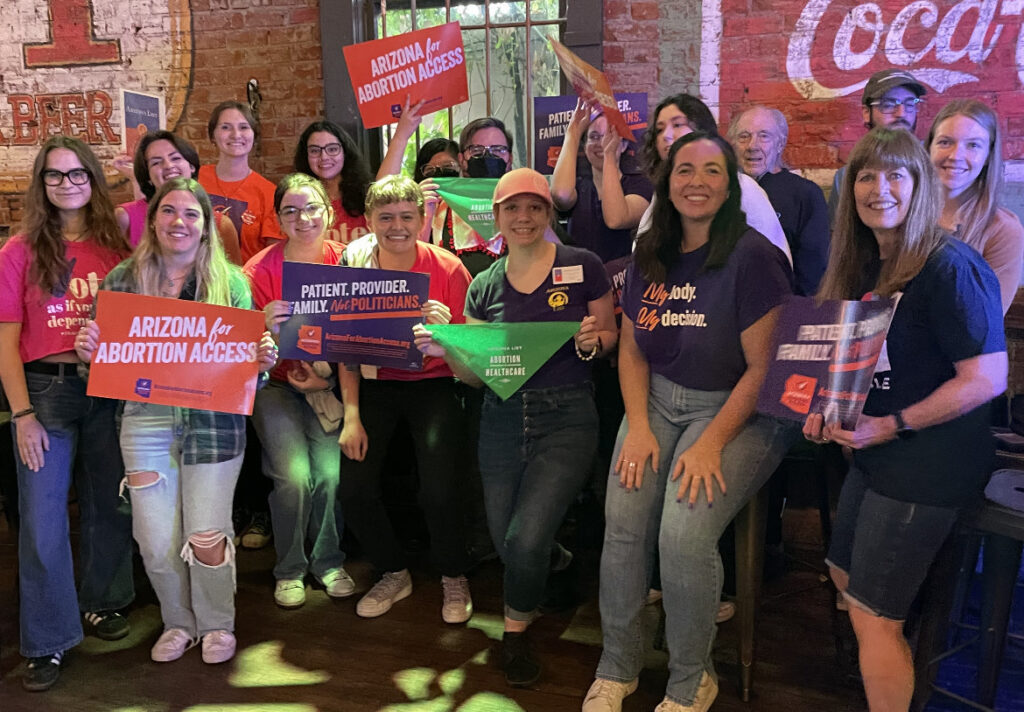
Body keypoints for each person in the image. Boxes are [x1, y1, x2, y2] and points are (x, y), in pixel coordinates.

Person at [582, 133, 794, 712]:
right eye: (684, 171)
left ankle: (690, 679)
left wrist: (711, 444)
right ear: (666, 182)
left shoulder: (752, 257)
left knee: (682, 535)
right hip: (656, 401)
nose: (696, 181)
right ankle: (618, 665)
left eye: (711, 171)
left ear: (731, 186)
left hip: (737, 408)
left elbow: (764, 369)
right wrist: (640, 426)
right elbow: (630, 351)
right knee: (623, 523)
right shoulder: (651, 248)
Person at [805, 127, 1008, 711]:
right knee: (843, 576)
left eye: (896, 174)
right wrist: (824, 410)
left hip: (931, 459)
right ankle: (894, 672)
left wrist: (889, 426)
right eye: (866, 176)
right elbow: (856, 366)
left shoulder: (948, 267)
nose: (879, 188)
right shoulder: (867, 262)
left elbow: (987, 379)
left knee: (873, 615)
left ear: (920, 185)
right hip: (876, 451)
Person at [416, 167, 618, 687]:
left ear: (548, 213)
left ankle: (516, 634)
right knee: (511, 544)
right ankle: (558, 559)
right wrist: (450, 348)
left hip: (568, 414)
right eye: (512, 208)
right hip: (502, 416)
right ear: (497, 218)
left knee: (524, 538)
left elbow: (610, 335)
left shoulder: (583, 265)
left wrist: (596, 339)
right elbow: (476, 378)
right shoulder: (483, 285)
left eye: (534, 207)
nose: (523, 217)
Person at [75, 177, 277, 664]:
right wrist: (89, 355)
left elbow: (245, 374)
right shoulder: (123, 280)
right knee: (155, 536)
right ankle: (178, 620)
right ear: (154, 219)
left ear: (207, 226)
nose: (179, 222)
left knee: (206, 536)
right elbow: (105, 365)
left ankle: (216, 623)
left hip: (213, 425)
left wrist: (261, 363)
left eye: (192, 214)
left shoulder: (231, 284)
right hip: (144, 422)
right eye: (169, 211)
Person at [0, 136, 134, 691]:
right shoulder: (18, 251)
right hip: (44, 393)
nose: (67, 184)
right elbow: (5, 342)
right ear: (41, 185)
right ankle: (48, 639)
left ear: (94, 179)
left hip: (108, 388)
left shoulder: (117, 244)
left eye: (77, 173)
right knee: (43, 517)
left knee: (110, 502)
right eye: (54, 176)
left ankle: (103, 602)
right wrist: (22, 414)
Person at [337, 175, 475, 624]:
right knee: (354, 488)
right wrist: (351, 416)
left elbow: (473, 349)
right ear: (370, 221)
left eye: (406, 217)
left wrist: (448, 331)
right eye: (386, 217)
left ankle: (454, 574)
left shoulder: (449, 268)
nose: (396, 226)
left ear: (421, 218)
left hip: (434, 382)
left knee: (439, 489)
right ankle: (394, 570)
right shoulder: (355, 269)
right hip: (375, 383)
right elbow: (346, 348)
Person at [244, 174, 354, 609]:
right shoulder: (258, 271)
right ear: (279, 218)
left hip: (329, 387)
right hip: (277, 386)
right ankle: (289, 567)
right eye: (290, 210)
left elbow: (363, 337)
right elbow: (236, 347)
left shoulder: (349, 262)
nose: (302, 218)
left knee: (329, 475)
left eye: (311, 208)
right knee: (292, 476)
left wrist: (326, 381)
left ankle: (328, 560)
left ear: (328, 212)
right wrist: (261, 327)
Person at [638, 94, 792, 266]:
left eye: (677, 125)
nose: (666, 135)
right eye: (659, 129)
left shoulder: (744, 188)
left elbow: (776, 260)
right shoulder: (664, 192)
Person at [926, 99, 1024, 313]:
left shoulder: (1004, 230)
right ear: (929, 147)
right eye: (945, 142)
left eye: (973, 145)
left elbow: (985, 322)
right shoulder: (903, 213)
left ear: (988, 156)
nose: (956, 156)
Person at [728, 105, 830, 295]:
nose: (752, 145)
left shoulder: (805, 194)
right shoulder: (723, 192)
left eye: (764, 136)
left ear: (780, 144)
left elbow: (812, 274)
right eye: (744, 136)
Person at [115, 130, 242, 263]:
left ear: (191, 166)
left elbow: (233, 279)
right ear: (148, 177)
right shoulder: (124, 217)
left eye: (175, 158)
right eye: (156, 162)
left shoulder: (221, 224)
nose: (169, 166)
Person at [551, 99, 653, 262]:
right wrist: (573, 133)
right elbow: (561, 195)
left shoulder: (640, 185)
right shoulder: (578, 186)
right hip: (579, 280)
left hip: (621, 282)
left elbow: (616, 219)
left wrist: (609, 156)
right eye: (594, 137)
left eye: (609, 136)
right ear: (584, 146)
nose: (601, 143)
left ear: (624, 145)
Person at [828, 69, 927, 221]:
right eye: (888, 105)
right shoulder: (847, 177)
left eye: (909, 104)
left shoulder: (936, 166)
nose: (901, 113)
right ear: (867, 113)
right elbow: (840, 236)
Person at [198, 100, 284, 262]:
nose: (236, 134)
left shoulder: (269, 193)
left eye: (244, 127)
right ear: (212, 136)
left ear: (254, 135)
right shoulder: (195, 178)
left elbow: (272, 258)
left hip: (245, 283)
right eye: (225, 127)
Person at [293, 120, 373, 246]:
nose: (324, 157)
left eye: (332, 149)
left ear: (345, 153)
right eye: (314, 151)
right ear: (305, 156)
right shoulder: (296, 201)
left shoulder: (368, 196)